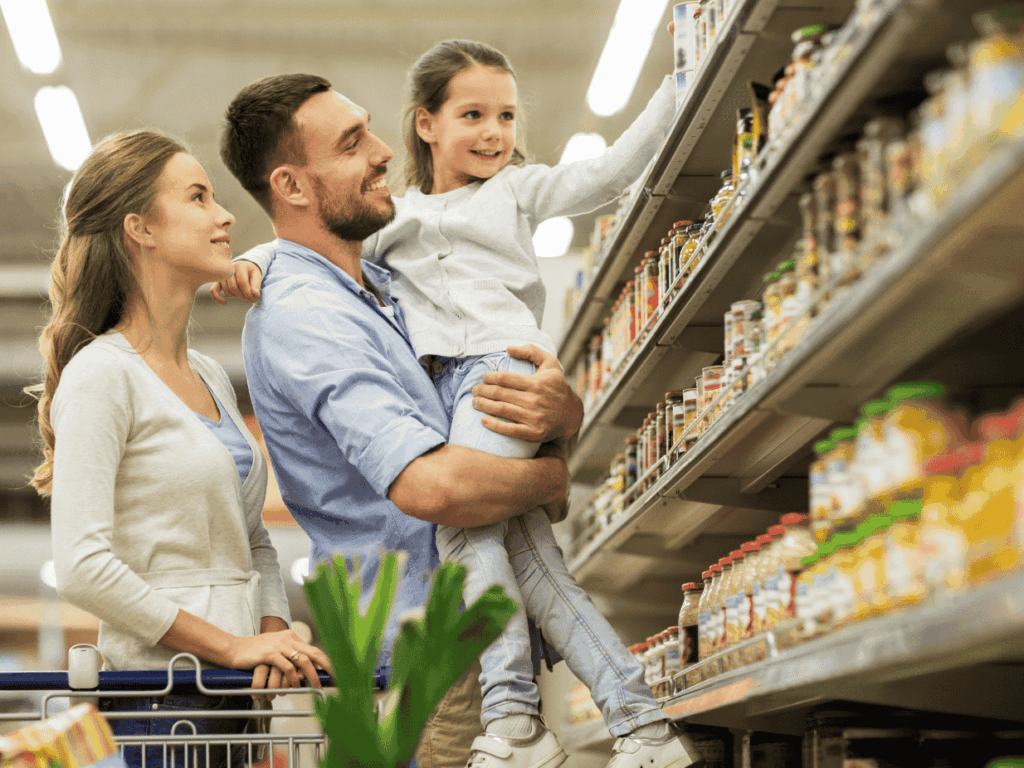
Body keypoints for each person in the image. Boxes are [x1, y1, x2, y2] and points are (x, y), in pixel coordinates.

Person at [216, 40, 704, 768]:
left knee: (528, 565)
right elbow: (433, 490)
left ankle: (578, 723)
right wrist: (551, 478)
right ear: (430, 123)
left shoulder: (383, 281)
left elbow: (604, 174)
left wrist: (562, 419)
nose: (379, 152)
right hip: (428, 650)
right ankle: (604, 723)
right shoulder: (319, 304)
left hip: (452, 618)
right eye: (354, 142)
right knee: (515, 556)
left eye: (506, 114)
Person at [28, 130, 333, 768]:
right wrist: (229, 645)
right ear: (141, 229)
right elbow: (82, 565)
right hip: (161, 701)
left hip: (230, 698)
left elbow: (252, 540)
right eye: (198, 197)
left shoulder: (209, 375)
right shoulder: (101, 375)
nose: (224, 216)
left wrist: (271, 634)